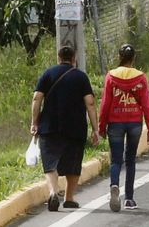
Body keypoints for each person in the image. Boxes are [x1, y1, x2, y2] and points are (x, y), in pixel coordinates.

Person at [30, 45, 98, 211]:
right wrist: (96, 128)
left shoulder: (48, 73)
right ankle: (69, 197)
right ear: (74, 59)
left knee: (50, 163)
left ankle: (53, 192)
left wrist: (34, 122)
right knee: (73, 163)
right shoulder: (81, 77)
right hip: (75, 127)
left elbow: (36, 98)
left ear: (58, 58)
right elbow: (90, 103)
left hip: (49, 126)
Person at [98, 44, 149, 212]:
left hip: (115, 122)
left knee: (116, 160)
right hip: (134, 123)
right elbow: (147, 105)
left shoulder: (111, 76)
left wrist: (102, 127)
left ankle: (114, 185)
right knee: (130, 160)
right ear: (133, 58)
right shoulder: (141, 77)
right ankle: (129, 198)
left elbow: (105, 104)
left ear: (119, 57)